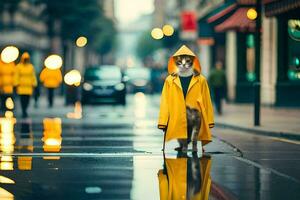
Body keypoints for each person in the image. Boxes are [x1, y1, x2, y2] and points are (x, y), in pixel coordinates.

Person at [158, 45, 214, 153]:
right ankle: (182, 146)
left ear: (193, 61)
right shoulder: (170, 80)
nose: (184, 65)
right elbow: (165, 101)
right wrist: (163, 120)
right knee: (179, 131)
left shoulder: (201, 80)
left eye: (187, 61)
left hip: (195, 114)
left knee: (194, 132)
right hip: (177, 114)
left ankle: (192, 146)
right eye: (180, 62)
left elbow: (207, 100)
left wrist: (209, 120)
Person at [14, 52, 37, 118]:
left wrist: (34, 83)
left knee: (27, 100)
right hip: (21, 87)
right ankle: (24, 111)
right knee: (22, 100)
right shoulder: (18, 67)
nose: (26, 60)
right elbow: (16, 76)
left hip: (28, 87)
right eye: (25, 59)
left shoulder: (31, 67)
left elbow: (33, 76)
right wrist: (16, 84)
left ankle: (25, 110)